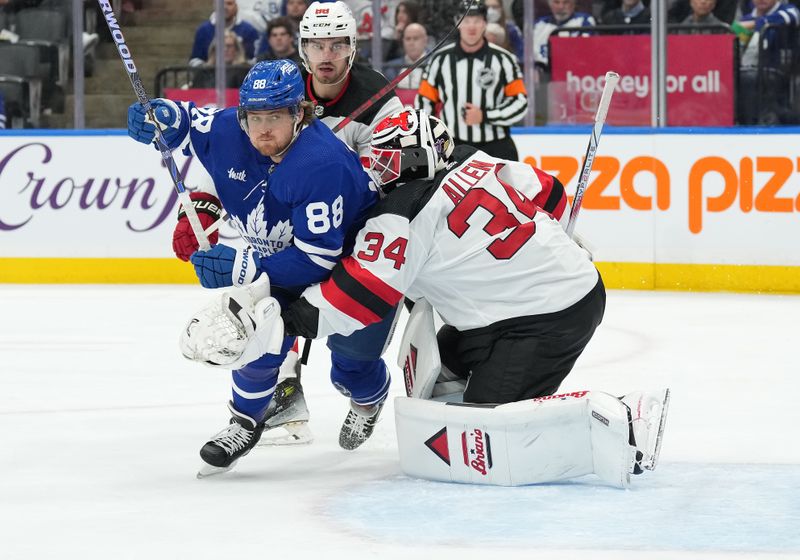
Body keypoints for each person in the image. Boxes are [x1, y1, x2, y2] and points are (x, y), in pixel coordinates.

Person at [183, 108, 670, 487]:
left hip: (546, 317)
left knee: (485, 434)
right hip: (509, 309)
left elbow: (356, 300)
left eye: (387, 156)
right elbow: (551, 192)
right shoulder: (477, 161)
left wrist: (277, 322)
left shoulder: (400, 216)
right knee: (442, 388)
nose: (375, 163)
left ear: (411, 161)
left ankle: (619, 420)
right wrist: (559, 242)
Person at [126, 59, 396, 476]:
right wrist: (159, 113)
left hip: (354, 266)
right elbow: (182, 120)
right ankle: (244, 423)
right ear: (242, 115)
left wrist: (243, 268)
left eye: (275, 116)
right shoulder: (228, 131)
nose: (263, 129)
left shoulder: (320, 162)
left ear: (298, 114)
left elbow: (317, 258)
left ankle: (368, 399)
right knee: (255, 327)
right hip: (286, 262)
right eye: (255, 117)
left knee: (350, 368)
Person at [258, 0, 404, 443]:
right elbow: (244, 138)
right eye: (316, 44)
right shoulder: (283, 88)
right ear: (301, 49)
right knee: (266, 309)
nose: (327, 55)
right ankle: (282, 391)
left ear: (352, 48)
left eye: (337, 44)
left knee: (350, 365)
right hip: (302, 230)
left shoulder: (381, 99)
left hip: (361, 238)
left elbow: (391, 181)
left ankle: (366, 397)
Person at [416, 0, 528, 161]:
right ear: (457, 22)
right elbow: (424, 102)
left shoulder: (504, 59)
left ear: (485, 23)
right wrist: (431, 135)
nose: (472, 26)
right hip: (454, 146)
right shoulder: (440, 60)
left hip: (497, 146)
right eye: (466, 20)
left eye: (477, 21)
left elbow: (520, 102)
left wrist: (486, 115)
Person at [736, 0, 800, 124]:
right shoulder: (746, 19)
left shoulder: (788, 11)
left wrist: (755, 24)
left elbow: (794, 16)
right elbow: (737, 43)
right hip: (749, 69)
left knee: (750, 79)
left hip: (780, 70)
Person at [189, 0, 261, 67]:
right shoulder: (203, 30)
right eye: (221, 4)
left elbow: (254, 60)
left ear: (236, 7)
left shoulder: (249, 30)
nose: (224, 7)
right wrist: (207, 70)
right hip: (210, 77)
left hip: (241, 77)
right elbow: (195, 60)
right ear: (214, 5)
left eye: (229, 4)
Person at [533, 0, 595, 72]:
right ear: (550, 5)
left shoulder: (584, 21)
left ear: (573, 4)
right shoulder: (538, 25)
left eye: (566, 2)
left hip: (573, 74)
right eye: (556, 2)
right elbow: (529, 55)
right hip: (542, 76)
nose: (561, 7)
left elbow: (585, 54)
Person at [383, 21, 428, 89]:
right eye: (408, 39)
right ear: (403, 41)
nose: (411, 43)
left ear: (425, 41)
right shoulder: (391, 67)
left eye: (415, 38)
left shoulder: (434, 64)